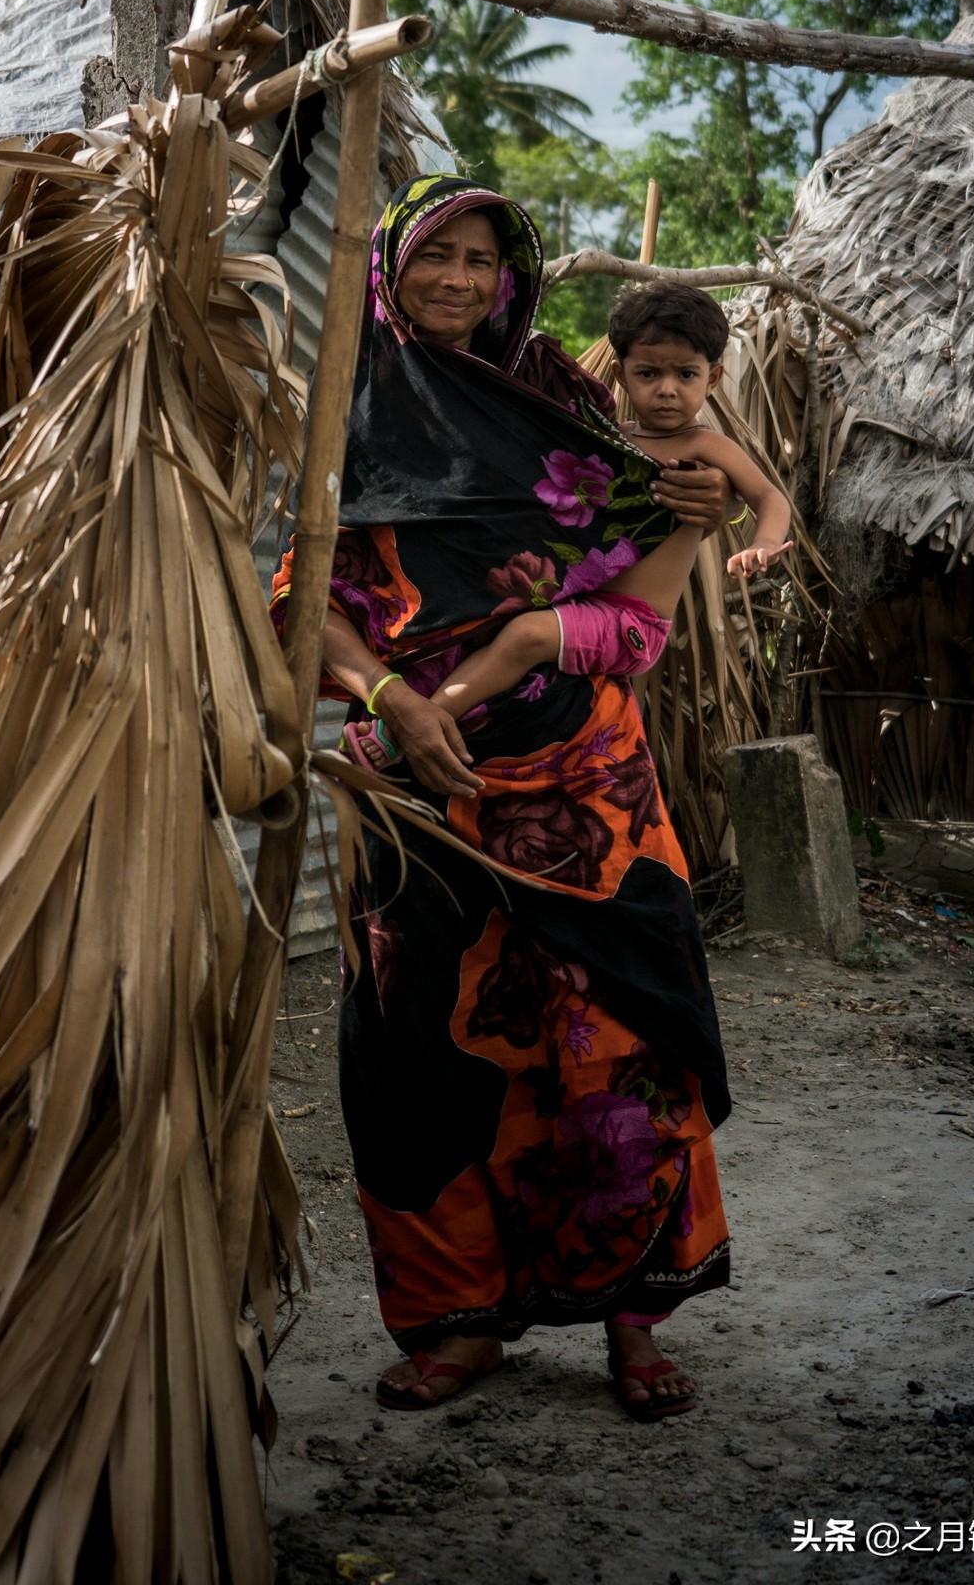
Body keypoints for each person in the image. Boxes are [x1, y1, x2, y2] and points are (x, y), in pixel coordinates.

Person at [272, 174, 735, 1419]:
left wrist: (684, 526)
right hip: (410, 786)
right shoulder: (340, 409)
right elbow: (302, 592)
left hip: (586, 781)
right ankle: (453, 1321)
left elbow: (641, 617)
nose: (461, 280)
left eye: (483, 258)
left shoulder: (569, 405)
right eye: (438, 254)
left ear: (513, 273)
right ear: (392, 264)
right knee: (416, 1050)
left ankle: (636, 1320)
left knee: (620, 1037)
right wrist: (387, 700)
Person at [343, 279, 793, 748]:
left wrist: (762, 544)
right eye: (648, 374)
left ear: (713, 377)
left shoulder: (707, 445)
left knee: (524, 636)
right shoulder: (603, 439)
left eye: (685, 375)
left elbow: (769, 497)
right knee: (510, 636)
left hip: (633, 622)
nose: (667, 390)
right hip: (579, 604)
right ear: (620, 374)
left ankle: (410, 729)